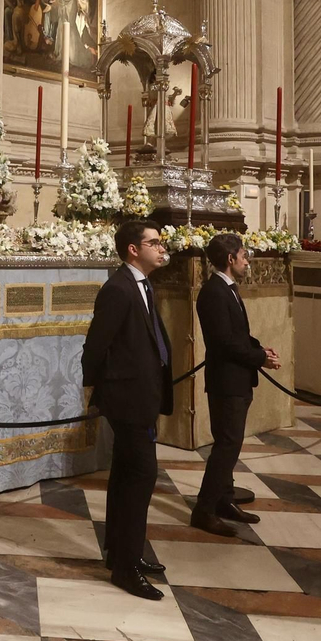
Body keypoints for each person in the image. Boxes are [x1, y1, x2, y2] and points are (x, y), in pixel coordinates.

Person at [81, 219, 173, 600]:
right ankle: (126, 567)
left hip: (142, 395)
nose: (161, 248)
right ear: (133, 250)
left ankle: (120, 553)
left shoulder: (144, 284)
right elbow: (95, 346)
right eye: (153, 243)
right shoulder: (118, 289)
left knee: (125, 477)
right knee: (142, 477)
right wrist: (100, 391)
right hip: (128, 399)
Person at [191, 234, 280, 536]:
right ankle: (203, 510)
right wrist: (259, 358)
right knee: (226, 446)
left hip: (237, 377)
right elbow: (223, 343)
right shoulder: (214, 292)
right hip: (226, 380)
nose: (247, 259)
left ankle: (224, 500)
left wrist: (259, 350)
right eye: (243, 254)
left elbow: (237, 335)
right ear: (230, 259)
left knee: (231, 443)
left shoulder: (227, 289)